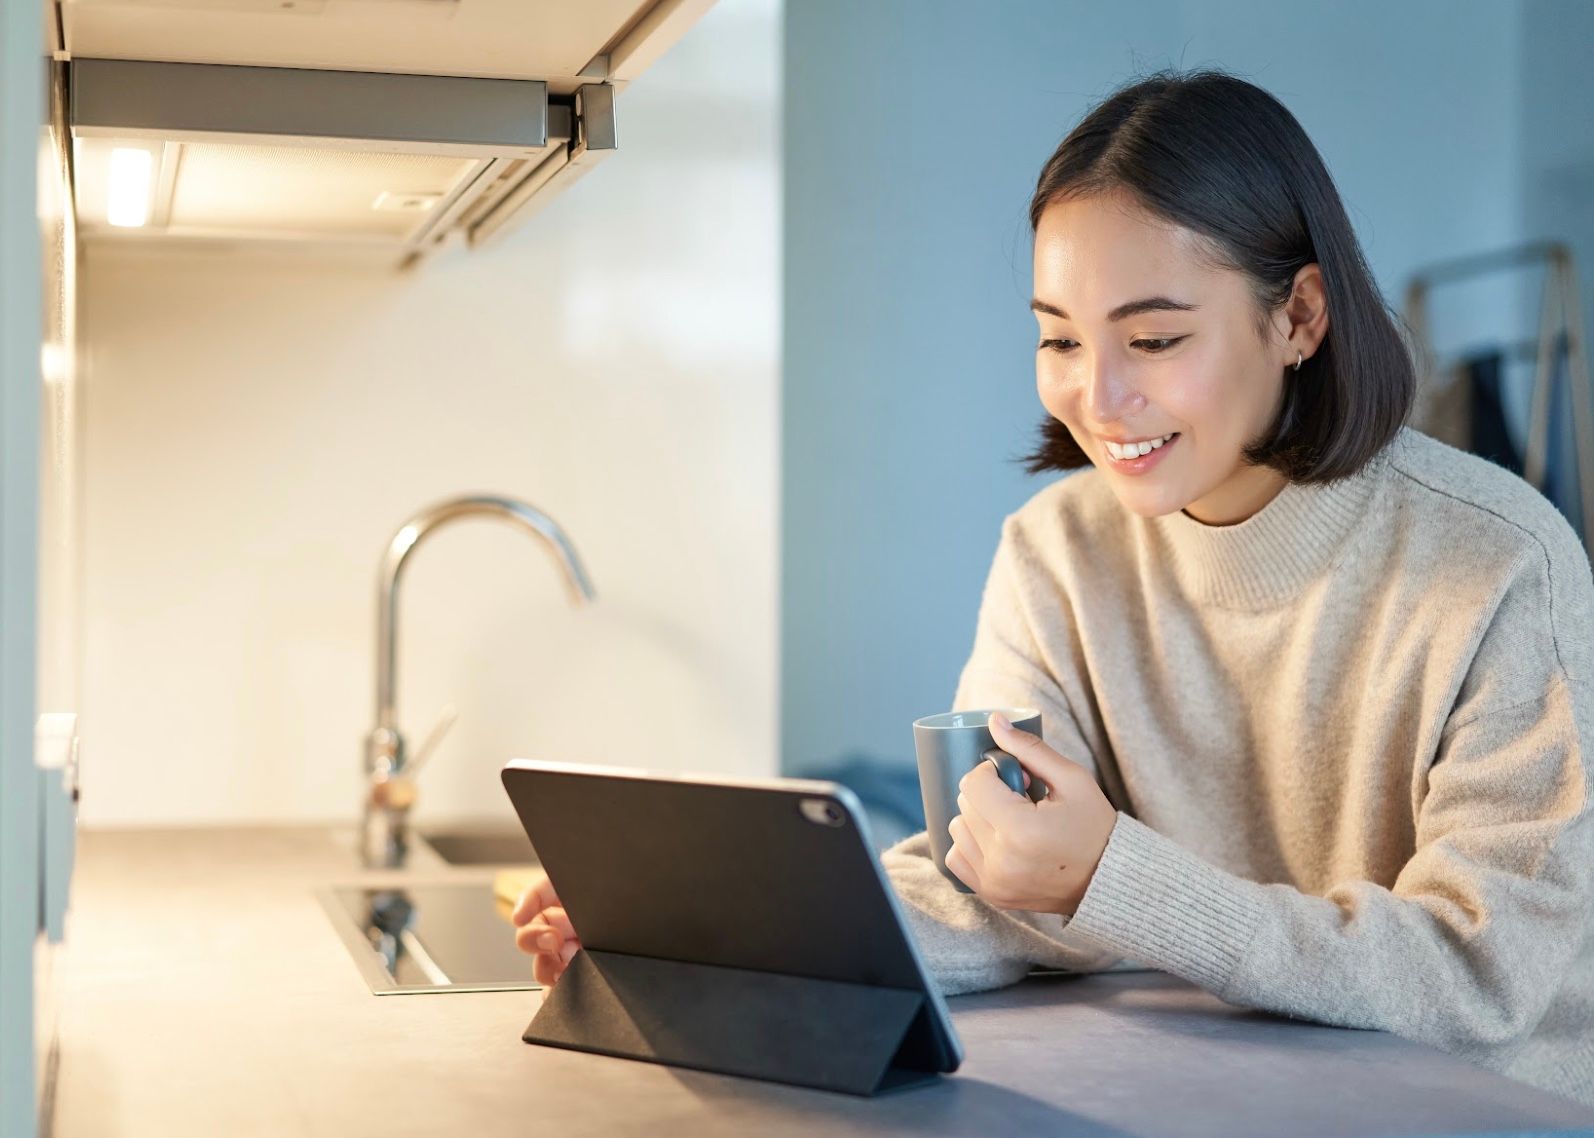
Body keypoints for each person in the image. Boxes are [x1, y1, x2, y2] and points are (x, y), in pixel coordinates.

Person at [514, 67, 1594, 1109]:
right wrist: (692, 921)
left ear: (1299, 317)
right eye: (1059, 338)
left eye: (1156, 337)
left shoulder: (1500, 564)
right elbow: (996, 876)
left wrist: (1110, 876)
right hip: (1228, 1094)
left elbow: (1474, 977)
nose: (1100, 394)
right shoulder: (1055, 552)